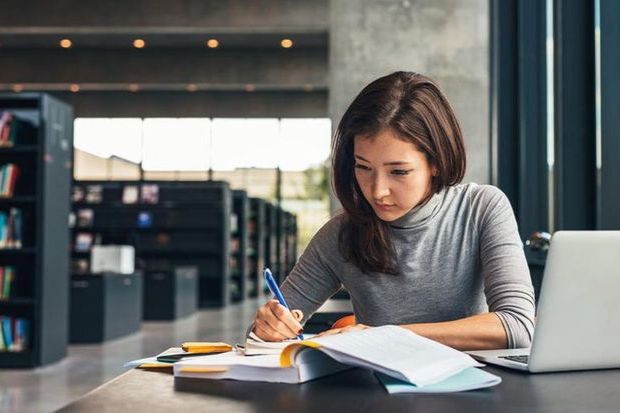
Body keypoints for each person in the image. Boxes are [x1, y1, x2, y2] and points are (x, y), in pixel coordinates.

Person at [251, 71, 535, 351]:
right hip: (378, 393)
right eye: (363, 167)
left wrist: (383, 336)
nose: (377, 191)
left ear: (436, 162)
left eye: (398, 171)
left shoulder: (481, 208)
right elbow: (258, 341)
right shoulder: (340, 234)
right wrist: (267, 329)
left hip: (474, 390)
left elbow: (518, 326)